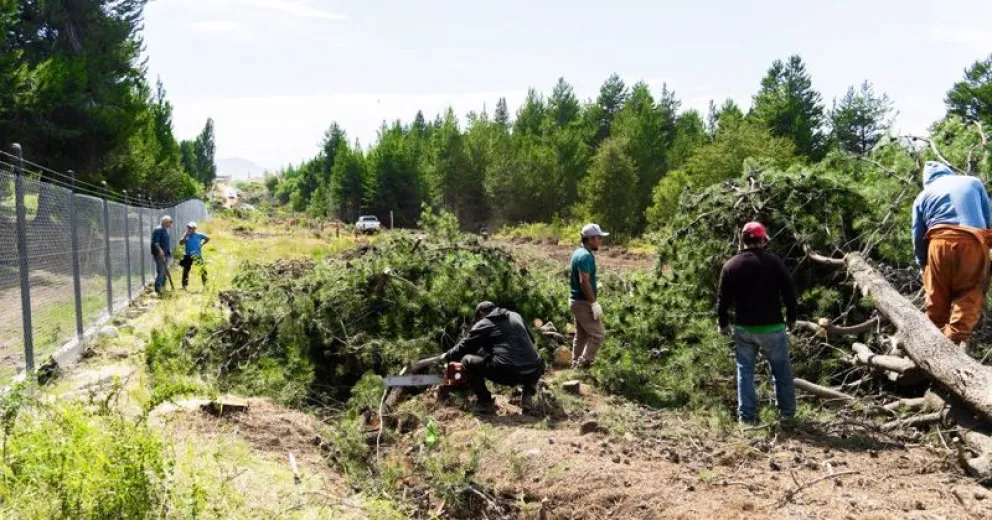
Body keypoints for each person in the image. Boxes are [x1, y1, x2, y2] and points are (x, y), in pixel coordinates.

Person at [717, 222, 798, 424]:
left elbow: (722, 301)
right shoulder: (775, 262)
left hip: (744, 329)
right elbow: (789, 292)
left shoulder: (730, 265)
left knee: (744, 372)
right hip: (773, 328)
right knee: (782, 372)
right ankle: (787, 415)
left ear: (742, 240)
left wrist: (723, 324)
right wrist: (792, 318)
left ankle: (746, 419)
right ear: (763, 240)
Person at [912, 161, 992, 345]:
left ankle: (932, 342)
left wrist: (923, 264)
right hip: (972, 241)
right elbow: (988, 220)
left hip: (938, 244)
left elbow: (917, 235)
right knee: (971, 293)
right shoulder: (973, 182)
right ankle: (953, 340)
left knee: (936, 297)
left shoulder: (922, 196)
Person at [440, 302, 545, 413]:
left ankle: (485, 401)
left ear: (481, 313)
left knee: (467, 360)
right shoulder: (515, 315)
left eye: (477, 319)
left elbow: (464, 346)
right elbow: (531, 340)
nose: (478, 322)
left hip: (508, 371)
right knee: (533, 360)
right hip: (534, 370)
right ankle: (527, 395)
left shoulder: (485, 323)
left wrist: (448, 355)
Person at [569, 224, 608, 368]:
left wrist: (594, 285)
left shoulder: (579, 252)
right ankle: (583, 364)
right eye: (598, 238)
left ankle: (575, 364)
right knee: (598, 335)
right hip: (583, 302)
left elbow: (584, 279)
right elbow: (584, 281)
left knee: (582, 336)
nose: (600, 241)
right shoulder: (585, 256)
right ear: (590, 239)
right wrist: (593, 303)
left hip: (576, 300)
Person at [178, 221, 210, 290]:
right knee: (186, 270)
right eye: (188, 227)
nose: (189, 229)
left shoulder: (199, 235)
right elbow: (180, 243)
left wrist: (202, 244)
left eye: (190, 228)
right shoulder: (186, 235)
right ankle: (184, 286)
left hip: (197, 255)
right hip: (188, 255)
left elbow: (208, 238)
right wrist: (185, 236)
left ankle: (206, 285)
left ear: (194, 228)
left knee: (202, 270)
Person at [151, 216, 174, 294]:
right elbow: (156, 242)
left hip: (166, 254)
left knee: (164, 271)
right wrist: (160, 250)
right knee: (161, 271)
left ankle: (163, 286)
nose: (171, 223)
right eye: (170, 222)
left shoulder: (164, 230)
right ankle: (158, 288)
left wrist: (168, 250)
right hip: (159, 254)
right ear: (165, 222)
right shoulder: (158, 229)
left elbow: (164, 242)